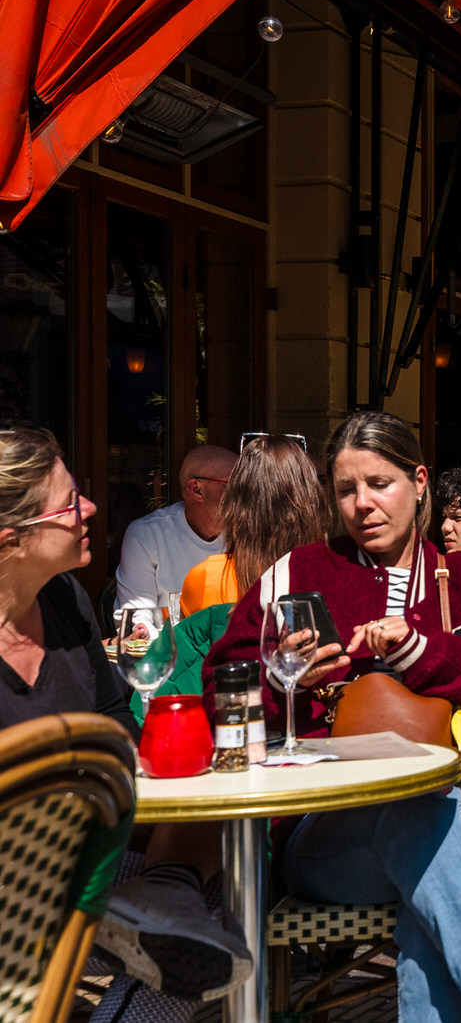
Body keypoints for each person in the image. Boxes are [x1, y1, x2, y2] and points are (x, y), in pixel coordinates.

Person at [203, 411, 461, 1023]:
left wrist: (424, 653)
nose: (362, 504)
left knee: (432, 876)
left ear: (419, 482)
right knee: (419, 824)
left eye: (379, 483)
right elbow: (224, 681)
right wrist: (287, 679)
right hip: (333, 834)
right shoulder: (300, 574)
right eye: (346, 489)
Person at [0, 426, 250, 1017]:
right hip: (18, 881)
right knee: (191, 917)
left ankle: (141, 917)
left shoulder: (65, 601)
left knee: (222, 888)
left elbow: (113, 713)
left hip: (79, 856)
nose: (89, 508)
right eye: (68, 505)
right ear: (10, 538)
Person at [179, 435, 323, 616]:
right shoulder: (333, 576)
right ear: (311, 501)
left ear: (234, 503)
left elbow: (187, 641)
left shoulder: (205, 577)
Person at [114, 445, 238, 611]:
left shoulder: (248, 532)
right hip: (167, 637)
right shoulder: (147, 535)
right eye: (234, 484)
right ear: (196, 489)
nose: (244, 493)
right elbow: (138, 619)